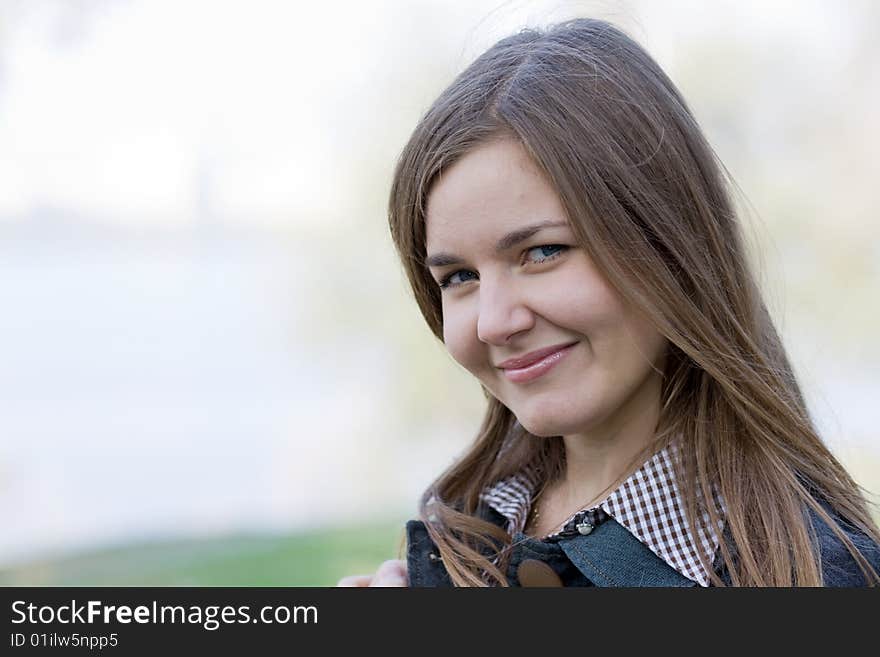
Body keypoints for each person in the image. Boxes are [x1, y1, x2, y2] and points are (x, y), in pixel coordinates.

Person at [337, 17, 880, 587]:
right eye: (459, 276)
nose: (495, 322)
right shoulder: (465, 534)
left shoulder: (815, 575)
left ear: (670, 243)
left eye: (543, 252)